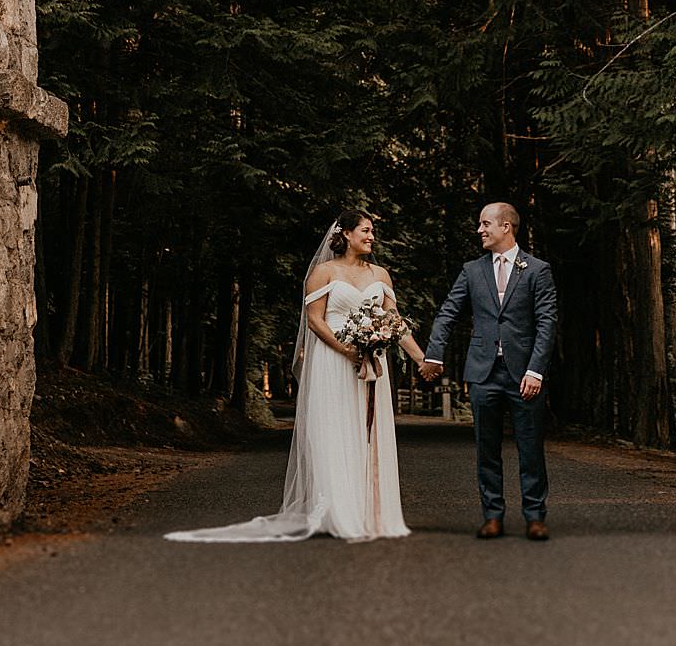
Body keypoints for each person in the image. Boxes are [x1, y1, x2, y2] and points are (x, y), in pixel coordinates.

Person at [166, 209, 424, 542]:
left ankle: (372, 512)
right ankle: (340, 513)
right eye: (365, 230)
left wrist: (421, 358)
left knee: (368, 434)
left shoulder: (382, 275)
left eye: (372, 231)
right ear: (345, 233)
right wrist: (345, 349)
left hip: (372, 364)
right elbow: (315, 321)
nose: (371, 236)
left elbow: (395, 322)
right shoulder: (323, 272)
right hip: (334, 362)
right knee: (336, 431)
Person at [420, 202, 558, 541]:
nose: (479, 230)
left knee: (530, 448)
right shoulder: (471, 270)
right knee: (486, 449)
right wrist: (434, 354)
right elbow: (448, 312)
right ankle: (492, 515)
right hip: (482, 373)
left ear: (506, 227)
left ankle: (535, 516)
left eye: (485, 224)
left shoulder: (537, 269)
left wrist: (536, 371)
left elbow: (546, 322)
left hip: (523, 374)